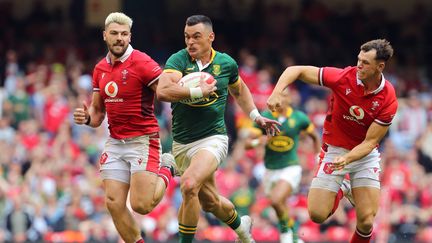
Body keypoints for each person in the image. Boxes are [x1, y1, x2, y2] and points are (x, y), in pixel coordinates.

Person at [156, 15, 280, 243]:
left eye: (196, 37)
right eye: (186, 37)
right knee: (210, 202)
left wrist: (255, 116)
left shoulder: (226, 63)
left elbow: (239, 90)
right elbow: (162, 91)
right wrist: (196, 92)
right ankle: (242, 228)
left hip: (213, 139)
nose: (190, 42)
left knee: (189, 184)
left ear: (210, 37)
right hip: (182, 143)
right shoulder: (178, 60)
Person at [267, 39, 398, 243]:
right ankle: (344, 185)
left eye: (365, 62)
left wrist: (348, 159)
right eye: (358, 60)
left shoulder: (388, 98)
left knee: (366, 221)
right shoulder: (343, 77)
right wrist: (277, 92)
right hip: (334, 150)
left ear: (380, 67)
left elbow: (370, 142)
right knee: (317, 215)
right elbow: (296, 70)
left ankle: (346, 183)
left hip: (364, 155)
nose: (359, 66)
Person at [73, 12, 176, 243]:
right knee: (113, 203)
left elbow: (166, 91)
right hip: (115, 141)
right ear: (104, 36)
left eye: (124, 34)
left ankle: (167, 168)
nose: (119, 38)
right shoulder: (100, 69)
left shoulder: (142, 62)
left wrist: (191, 91)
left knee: (141, 206)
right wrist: (86, 118)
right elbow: (98, 113)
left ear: (130, 36)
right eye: (114, 33)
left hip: (143, 139)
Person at [246, 88, 320, 243]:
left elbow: (314, 136)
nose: (279, 100)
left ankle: (285, 234)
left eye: (284, 96)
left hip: (291, 167)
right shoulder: (264, 117)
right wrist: (259, 141)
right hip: (270, 169)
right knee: (279, 205)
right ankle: (293, 237)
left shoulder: (299, 118)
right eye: (277, 96)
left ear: (290, 100)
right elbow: (247, 144)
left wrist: (318, 157)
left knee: (275, 200)